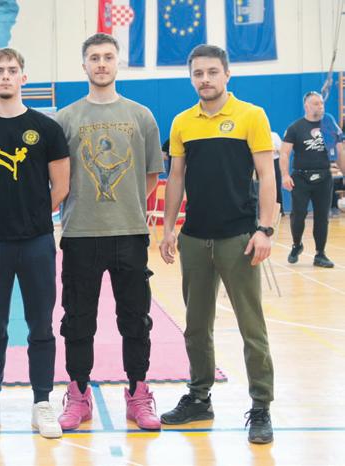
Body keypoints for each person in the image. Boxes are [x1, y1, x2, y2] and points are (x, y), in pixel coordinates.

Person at [159, 44, 276, 445]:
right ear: (191, 77)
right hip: (194, 238)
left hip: (239, 239)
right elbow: (176, 178)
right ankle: (199, 397)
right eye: (198, 73)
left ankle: (261, 406)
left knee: (251, 327)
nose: (205, 79)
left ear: (227, 74)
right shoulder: (182, 122)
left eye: (212, 72)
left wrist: (265, 229)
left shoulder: (251, 116)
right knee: (196, 327)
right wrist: (169, 228)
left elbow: (266, 174)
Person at [0, 48, 70, 439]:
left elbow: (61, 186)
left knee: (41, 325)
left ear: (24, 77)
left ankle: (42, 403)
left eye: (12, 70)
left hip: (37, 242)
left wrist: (32, 214)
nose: (5, 76)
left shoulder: (46, 129)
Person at [54, 33, 164, 432]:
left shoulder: (141, 116)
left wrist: (125, 204)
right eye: (94, 58)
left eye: (107, 57)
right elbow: (58, 177)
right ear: (83, 65)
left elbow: (150, 175)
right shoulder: (65, 118)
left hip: (129, 233)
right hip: (80, 234)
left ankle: (138, 392)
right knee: (78, 320)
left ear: (118, 63)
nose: (101, 64)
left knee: (135, 318)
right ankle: (78, 394)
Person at [280, 91, 344, 267]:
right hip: (301, 178)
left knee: (322, 217)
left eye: (322, 103)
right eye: (316, 104)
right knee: (298, 215)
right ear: (306, 106)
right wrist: (285, 175)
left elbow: (340, 152)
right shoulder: (295, 127)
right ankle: (297, 245)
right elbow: (284, 153)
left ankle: (320, 254)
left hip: (324, 177)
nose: (320, 106)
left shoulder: (330, 125)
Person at [270, 131, 284, 213]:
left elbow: (282, 151)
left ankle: (280, 211)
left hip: (275, 162)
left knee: (277, 186)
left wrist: (275, 149)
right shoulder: (256, 136)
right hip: (262, 161)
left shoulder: (274, 135)